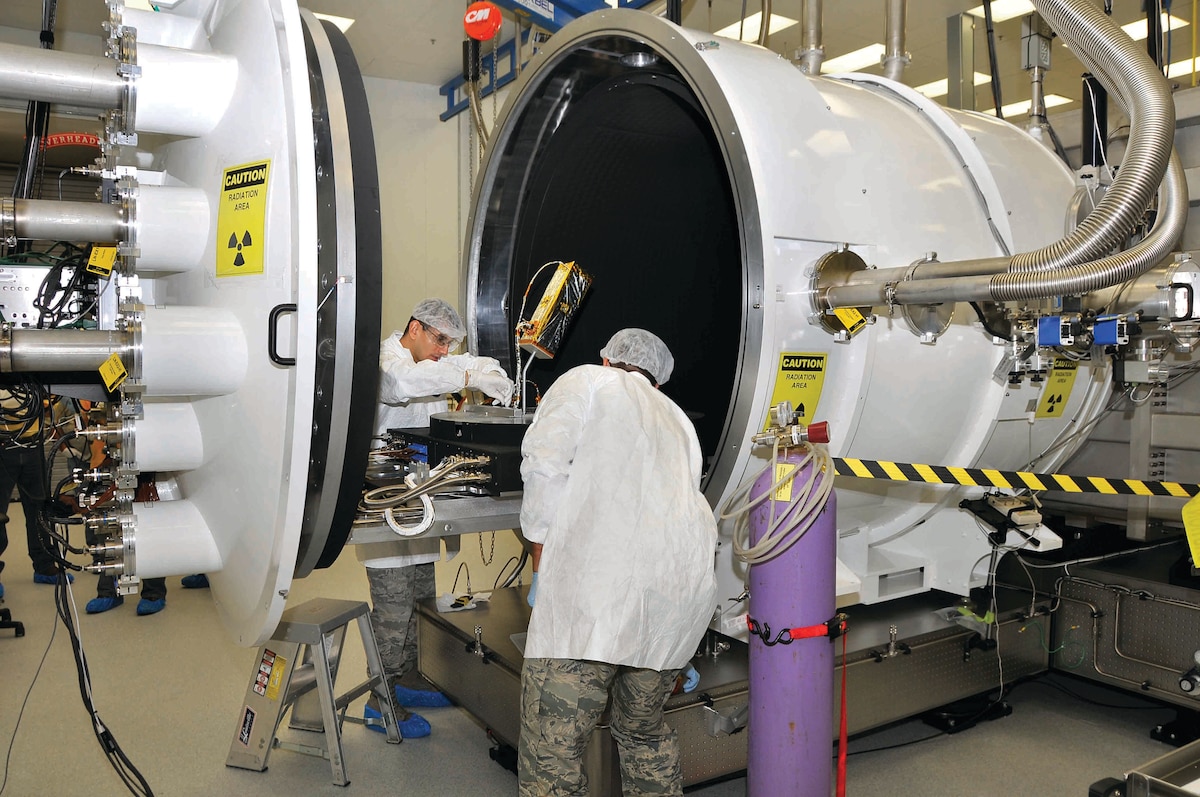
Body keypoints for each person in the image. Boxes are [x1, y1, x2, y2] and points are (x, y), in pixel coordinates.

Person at [517, 328, 718, 797]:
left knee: (555, 753)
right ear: (658, 380)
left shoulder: (585, 381)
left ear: (607, 359)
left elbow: (545, 467)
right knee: (643, 733)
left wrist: (541, 564)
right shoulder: (677, 418)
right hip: (674, 605)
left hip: (590, 601)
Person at [360, 298, 515, 739]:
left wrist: (490, 371)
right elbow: (402, 384)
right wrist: (467, 375)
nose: (445, 350)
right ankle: (380, 701)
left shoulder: (434, 358)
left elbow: (462, 363)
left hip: (424, 496)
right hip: (385, 501)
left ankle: (408, 680)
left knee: (420, 602)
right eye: (439, 339)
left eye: (450, 342)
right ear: (415, 328)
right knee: (392, 610)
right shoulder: (388, 361)